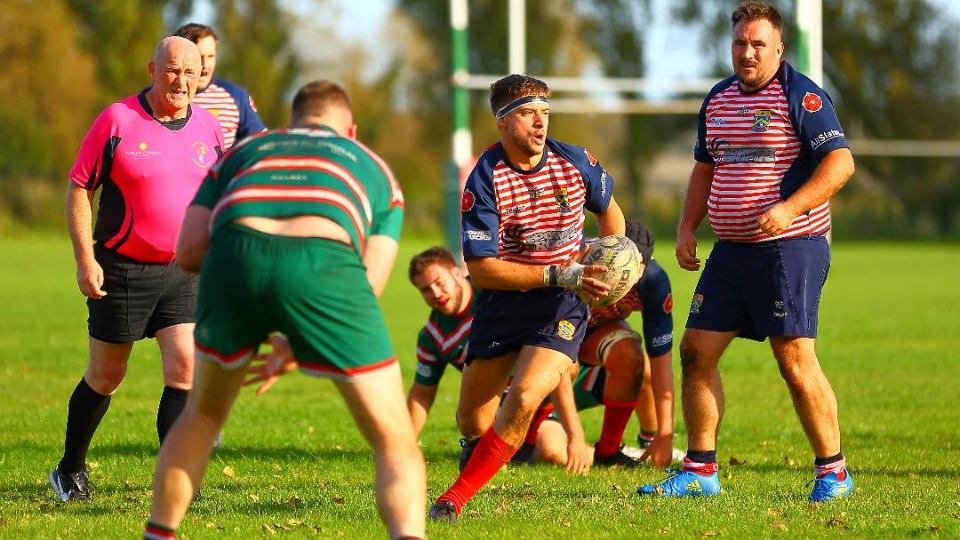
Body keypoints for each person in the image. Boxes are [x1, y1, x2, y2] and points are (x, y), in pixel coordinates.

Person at [143, 80, 425, 540]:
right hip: (326, 261)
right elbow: (368, 282)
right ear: (349, 129)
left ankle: (159, 533)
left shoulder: (247, 150)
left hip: (234, 255)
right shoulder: (376, 169)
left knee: (202, 416)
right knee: (393, 435)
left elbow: (190, 250)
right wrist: (301, 332)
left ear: (292, 123)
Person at [638, 1, 856, 503]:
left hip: (789, 247)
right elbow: (704, 167)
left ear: (779, 47)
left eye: (758, 43)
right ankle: (700, 471)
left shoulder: (800, 95)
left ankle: (834, 472)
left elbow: (841, 164)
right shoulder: (717, 99)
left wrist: (789, 207)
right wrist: (688, 226)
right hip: (731, 253)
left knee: (794, 359)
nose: (748, 52)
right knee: (695, 352)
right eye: (740, 42)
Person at [428, 74, 627, 525]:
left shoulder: (575, 162)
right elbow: (481, 269)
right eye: (527, 114)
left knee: (522, 399)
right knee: (473, 423)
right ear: (502, 122)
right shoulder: (484, 178)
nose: (540, 124)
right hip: (504, 303)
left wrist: (611, 265)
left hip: (562, 305)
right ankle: (477, 453)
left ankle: (452, 501)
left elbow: (610, 212)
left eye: (545, 113)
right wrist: (559, 270)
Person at [49, 36, 224, 503]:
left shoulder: (209, 129)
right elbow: (79, 189)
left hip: (183, 272)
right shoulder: (118, 120)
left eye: (191, 72)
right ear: (152, 69)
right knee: (107, 375)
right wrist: (85, 259)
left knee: (185, 367)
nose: (181, 81)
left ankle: (175, 477)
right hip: (121, 270)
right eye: (171, 70)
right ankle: (69, 468)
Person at [523, 220, 681, 470]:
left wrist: (665, 433)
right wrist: (575, 437)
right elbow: (555, 359)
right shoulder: (576, 266)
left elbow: (662, 362)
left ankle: (611, 451)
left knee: (633, 357)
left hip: (591, 350)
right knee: (552, 452)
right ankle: (523, 442)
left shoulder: (652, 282)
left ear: (642, 268)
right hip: (545, 363)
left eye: (630, 268)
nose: (618, 272)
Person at [406, 246, 477, 436]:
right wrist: (403, 443)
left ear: (456, 273)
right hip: (496, 407)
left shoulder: (491, 291)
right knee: (549, 451)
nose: (436, 294)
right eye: (426, 290)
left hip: (543, 387)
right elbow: (421, 395)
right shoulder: (432, 338)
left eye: (439, 283)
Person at [173, 23, 266, 148]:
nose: (205, 65)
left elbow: (260, 145)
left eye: (210, 56)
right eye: (199, 57)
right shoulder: (158, 96)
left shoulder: (236, 96)